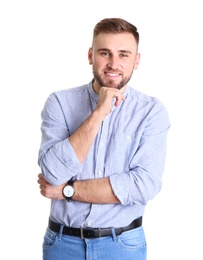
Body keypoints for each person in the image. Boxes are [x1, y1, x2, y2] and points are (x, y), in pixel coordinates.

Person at [37, 17, 170, 260]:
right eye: (104, 53)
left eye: (123, 54)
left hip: (122, 245)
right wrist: (98, 113)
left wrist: (67, 191)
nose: (113, 64)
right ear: (90, 55)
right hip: (62, 244)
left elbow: (143, 186)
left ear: (136, 61)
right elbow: (52, 174)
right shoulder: (59, 103)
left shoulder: (151, 112)